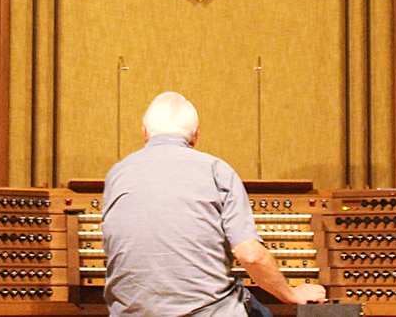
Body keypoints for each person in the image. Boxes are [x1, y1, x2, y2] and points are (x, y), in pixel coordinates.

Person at [102, 91, 327, 317]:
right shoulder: (216, 170)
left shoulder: (117, 174)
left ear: (144, 132)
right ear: (196, 136)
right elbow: (250, 255)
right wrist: (291, 294)